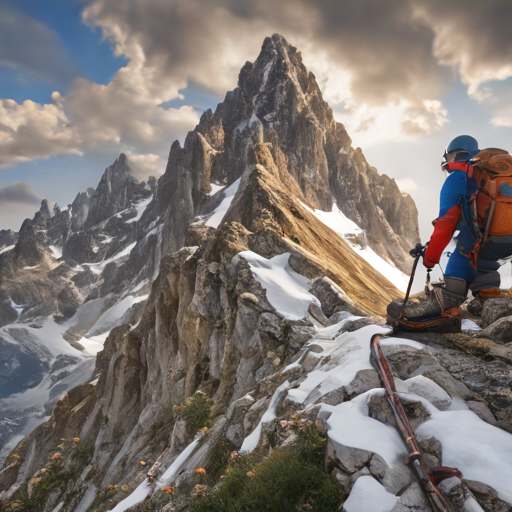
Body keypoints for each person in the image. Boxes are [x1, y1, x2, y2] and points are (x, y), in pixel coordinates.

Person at [389, 135, 512, 322]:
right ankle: (488, 295)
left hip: (478, 244)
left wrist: (430, 259)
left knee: (465, 251)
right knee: (484, 261)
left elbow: (446, 224)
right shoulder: (494, 176)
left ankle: (443, 305)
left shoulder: (457, 178)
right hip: (505, 247)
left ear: (456, 156)